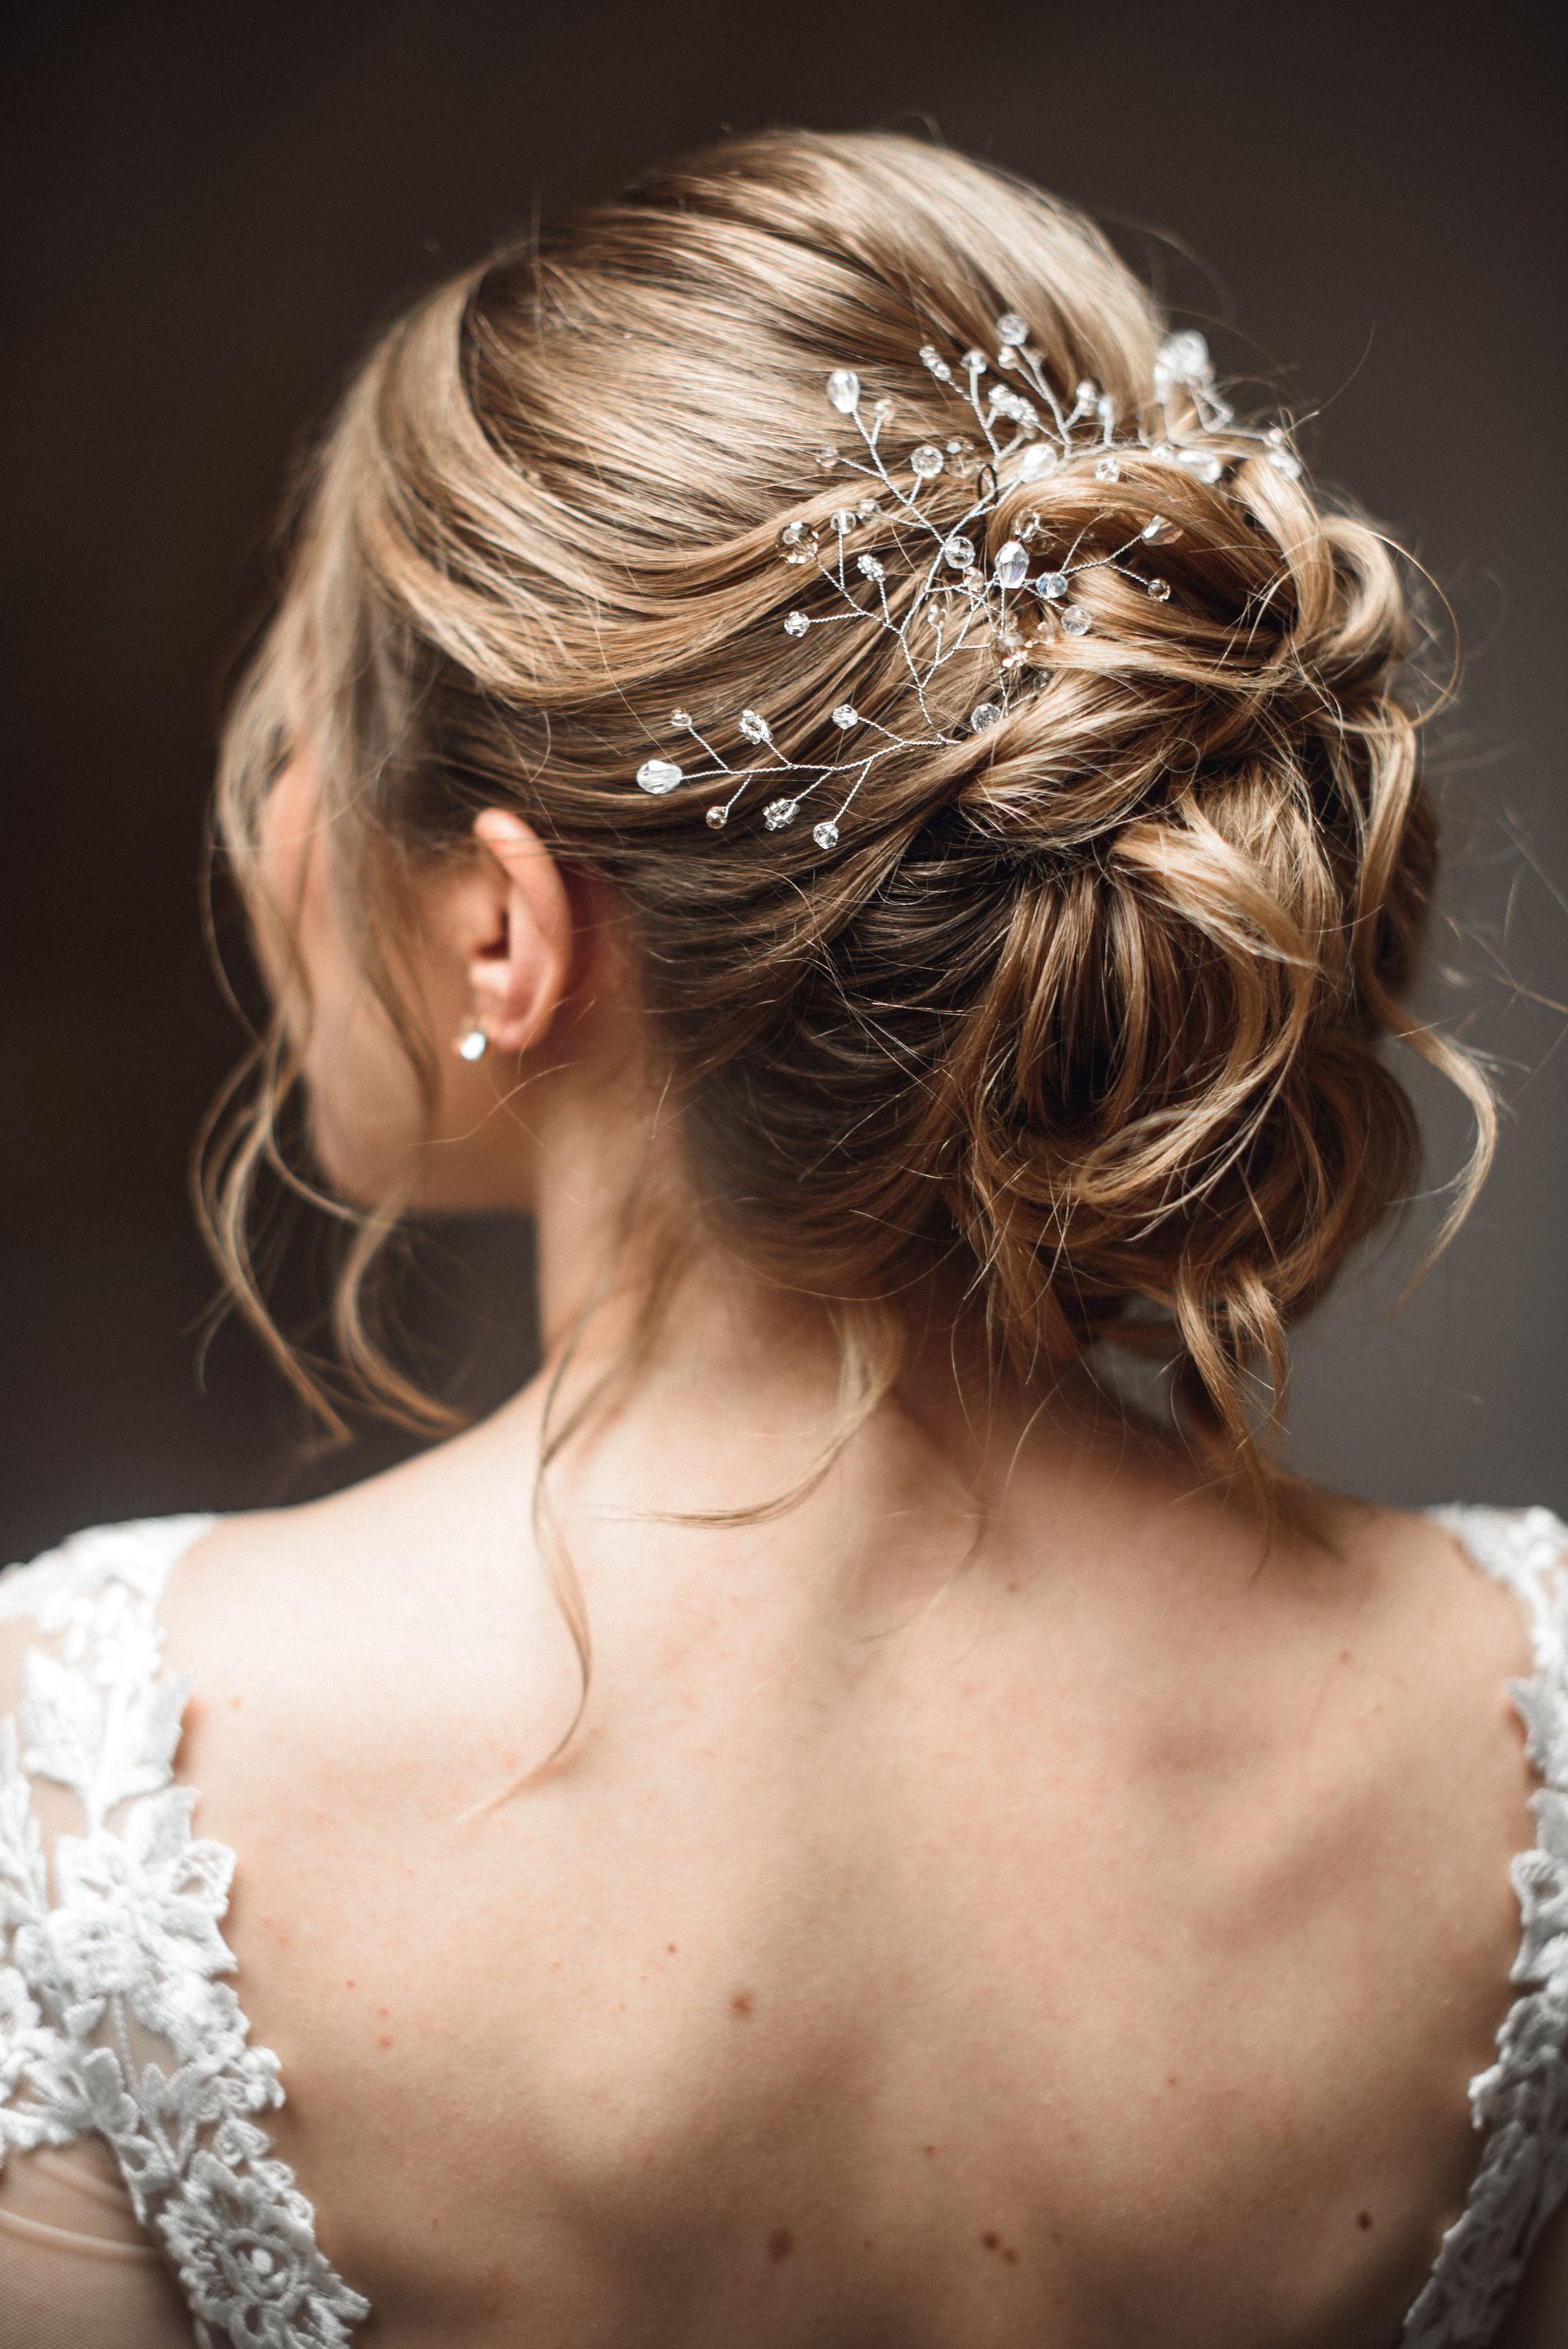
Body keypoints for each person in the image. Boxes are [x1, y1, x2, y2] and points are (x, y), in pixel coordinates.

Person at [0, 126, 1561, 2349]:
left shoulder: (85, 1782)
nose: (273, 831)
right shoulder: (1524, 1726)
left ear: (508, 929)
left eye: (312, 736)